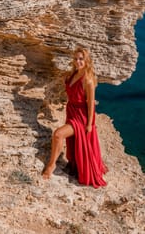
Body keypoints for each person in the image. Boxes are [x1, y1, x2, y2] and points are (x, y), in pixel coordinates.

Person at [42, 47, 107, 188]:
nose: (78, 61)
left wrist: (89, 124)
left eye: (81, 59)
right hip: (71, 111)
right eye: (76, 59)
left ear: (87, 61)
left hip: (81, 117)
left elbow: (91, 105)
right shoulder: (72, 75)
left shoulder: (88, 80)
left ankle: (51, 165)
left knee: (58, 134)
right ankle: (71, 163)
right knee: (67, 138)